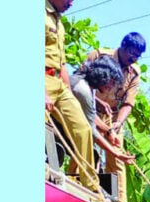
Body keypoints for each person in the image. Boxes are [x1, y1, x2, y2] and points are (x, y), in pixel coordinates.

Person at [81, 32, 146, 202]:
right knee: (86, 146)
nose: (134, 58)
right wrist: (97, 102)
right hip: (89, 109)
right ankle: (82, 190)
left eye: (138, 56)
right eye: (132, 53)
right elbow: (78, 83)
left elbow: (128, 103)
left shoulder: (134, 73)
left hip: (114, 119)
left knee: (117, 158)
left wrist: (118, 123)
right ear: (123, 46)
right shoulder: (99, 55)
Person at [45, 0, 95, 190]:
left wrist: (70, 96)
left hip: (59, 82)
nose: (71, 3)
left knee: (83, 128)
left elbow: (63, 64)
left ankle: (91, 185)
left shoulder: (59, 22)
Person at [68, 56, 136, 174]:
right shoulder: (82, 90)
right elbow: (91, 131)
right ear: (103, 75)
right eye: (112, 82)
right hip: (56, 130)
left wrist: (109, 131)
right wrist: (115, 153)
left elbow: (91, 115)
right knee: (90, 150)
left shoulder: (86, 84)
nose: (111, 87)